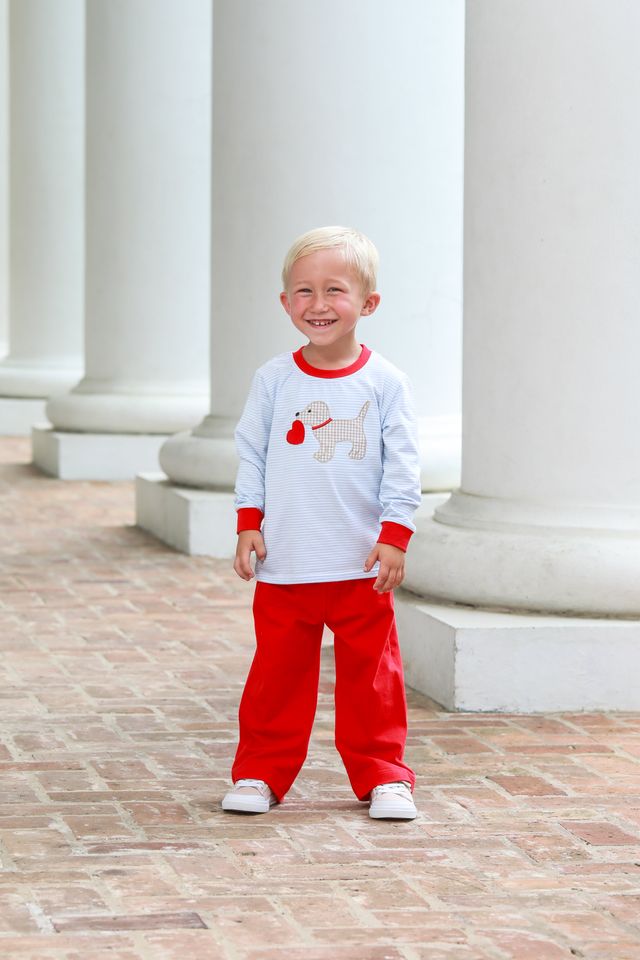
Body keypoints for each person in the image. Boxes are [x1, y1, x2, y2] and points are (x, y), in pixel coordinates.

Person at [222, 226, 422, 820]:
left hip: (360, 563)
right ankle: (261, 771)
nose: (318, 304)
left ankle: (383, 774)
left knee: (372, 678)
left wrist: (394, 536)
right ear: (285, 302)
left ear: (368, 303)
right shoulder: (274, 380)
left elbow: (403, 466)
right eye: (303, 291)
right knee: (276, 678)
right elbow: (252, 451)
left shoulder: (385, 383)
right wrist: (248, 522)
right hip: (287, 562)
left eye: (334, 290)